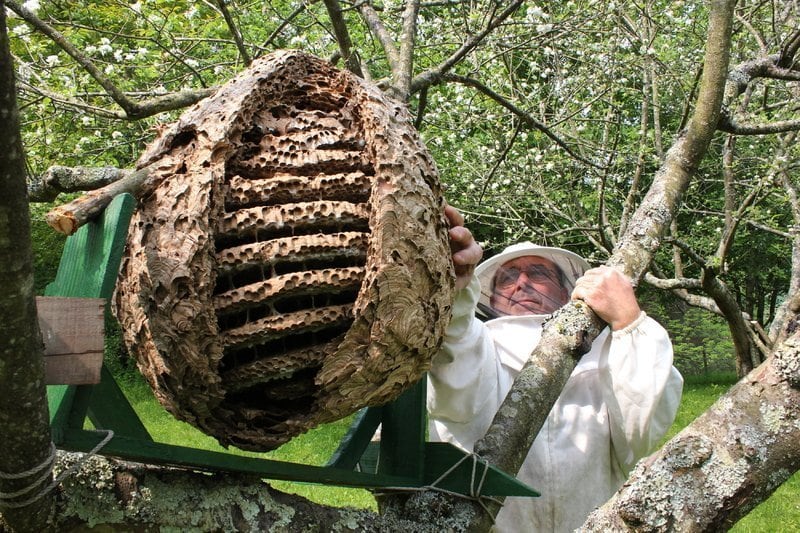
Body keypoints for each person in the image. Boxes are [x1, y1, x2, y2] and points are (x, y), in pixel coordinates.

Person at [428, 206, 683, 532]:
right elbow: (456, 351)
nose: (521, 283)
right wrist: (455, 283)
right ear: (491, 297)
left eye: (538, 273)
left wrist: (630, 322)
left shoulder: (608, 355)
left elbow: (641, 431)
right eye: (507, 278)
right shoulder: (481, 346)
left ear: (567, 291)